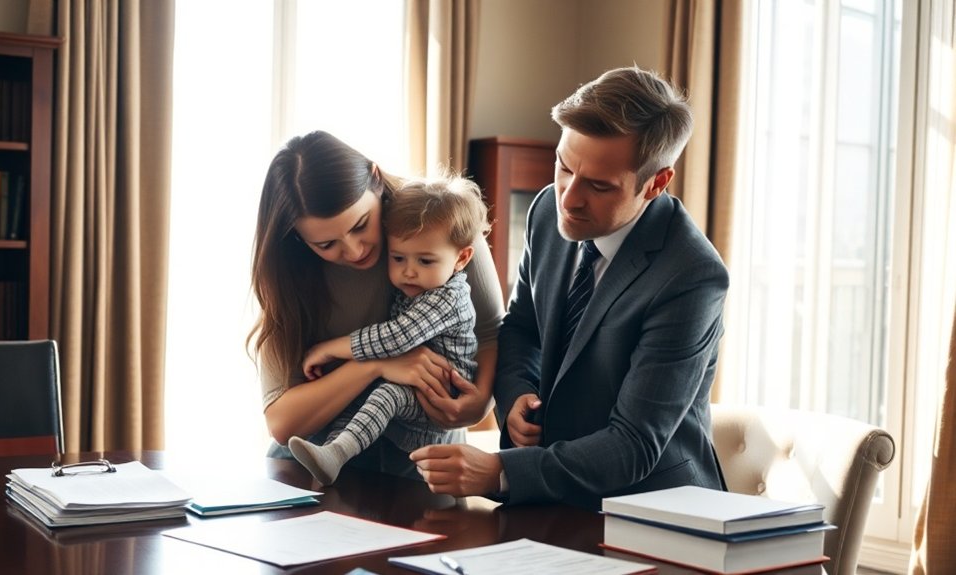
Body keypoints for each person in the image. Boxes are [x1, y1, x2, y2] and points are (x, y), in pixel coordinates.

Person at [410, 66, 730, 509]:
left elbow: (634, 444)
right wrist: (516, 393)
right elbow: (522, 327)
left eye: (599, 185)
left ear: (656, 183)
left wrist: (500, 471)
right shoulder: (547, 211)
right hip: (551, 496)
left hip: (656, 511)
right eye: (563, 166)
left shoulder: (691, 275)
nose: (569, 197)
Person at [249, 131, 504, 480]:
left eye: (360, 225)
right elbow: (282, 422)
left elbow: (490, 330)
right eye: (326, 245)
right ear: (297, 238)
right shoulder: (288, 269)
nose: (354, 251)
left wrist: (478, 404)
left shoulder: (441, 217)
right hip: (311, 463)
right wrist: (376, 365)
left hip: (421, 460)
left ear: (377, 181)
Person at [287, 176, 490, 485]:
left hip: (436, 397)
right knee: (361, 395)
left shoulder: (447, 298)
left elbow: (396, 337)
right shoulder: (417, 288)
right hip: (412, 386)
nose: (409, 271)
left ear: (462, 258)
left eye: (425, 260)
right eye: (398, 258)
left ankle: (338, 453)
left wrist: (329, 348)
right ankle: (332, 451)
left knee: (387, 394)